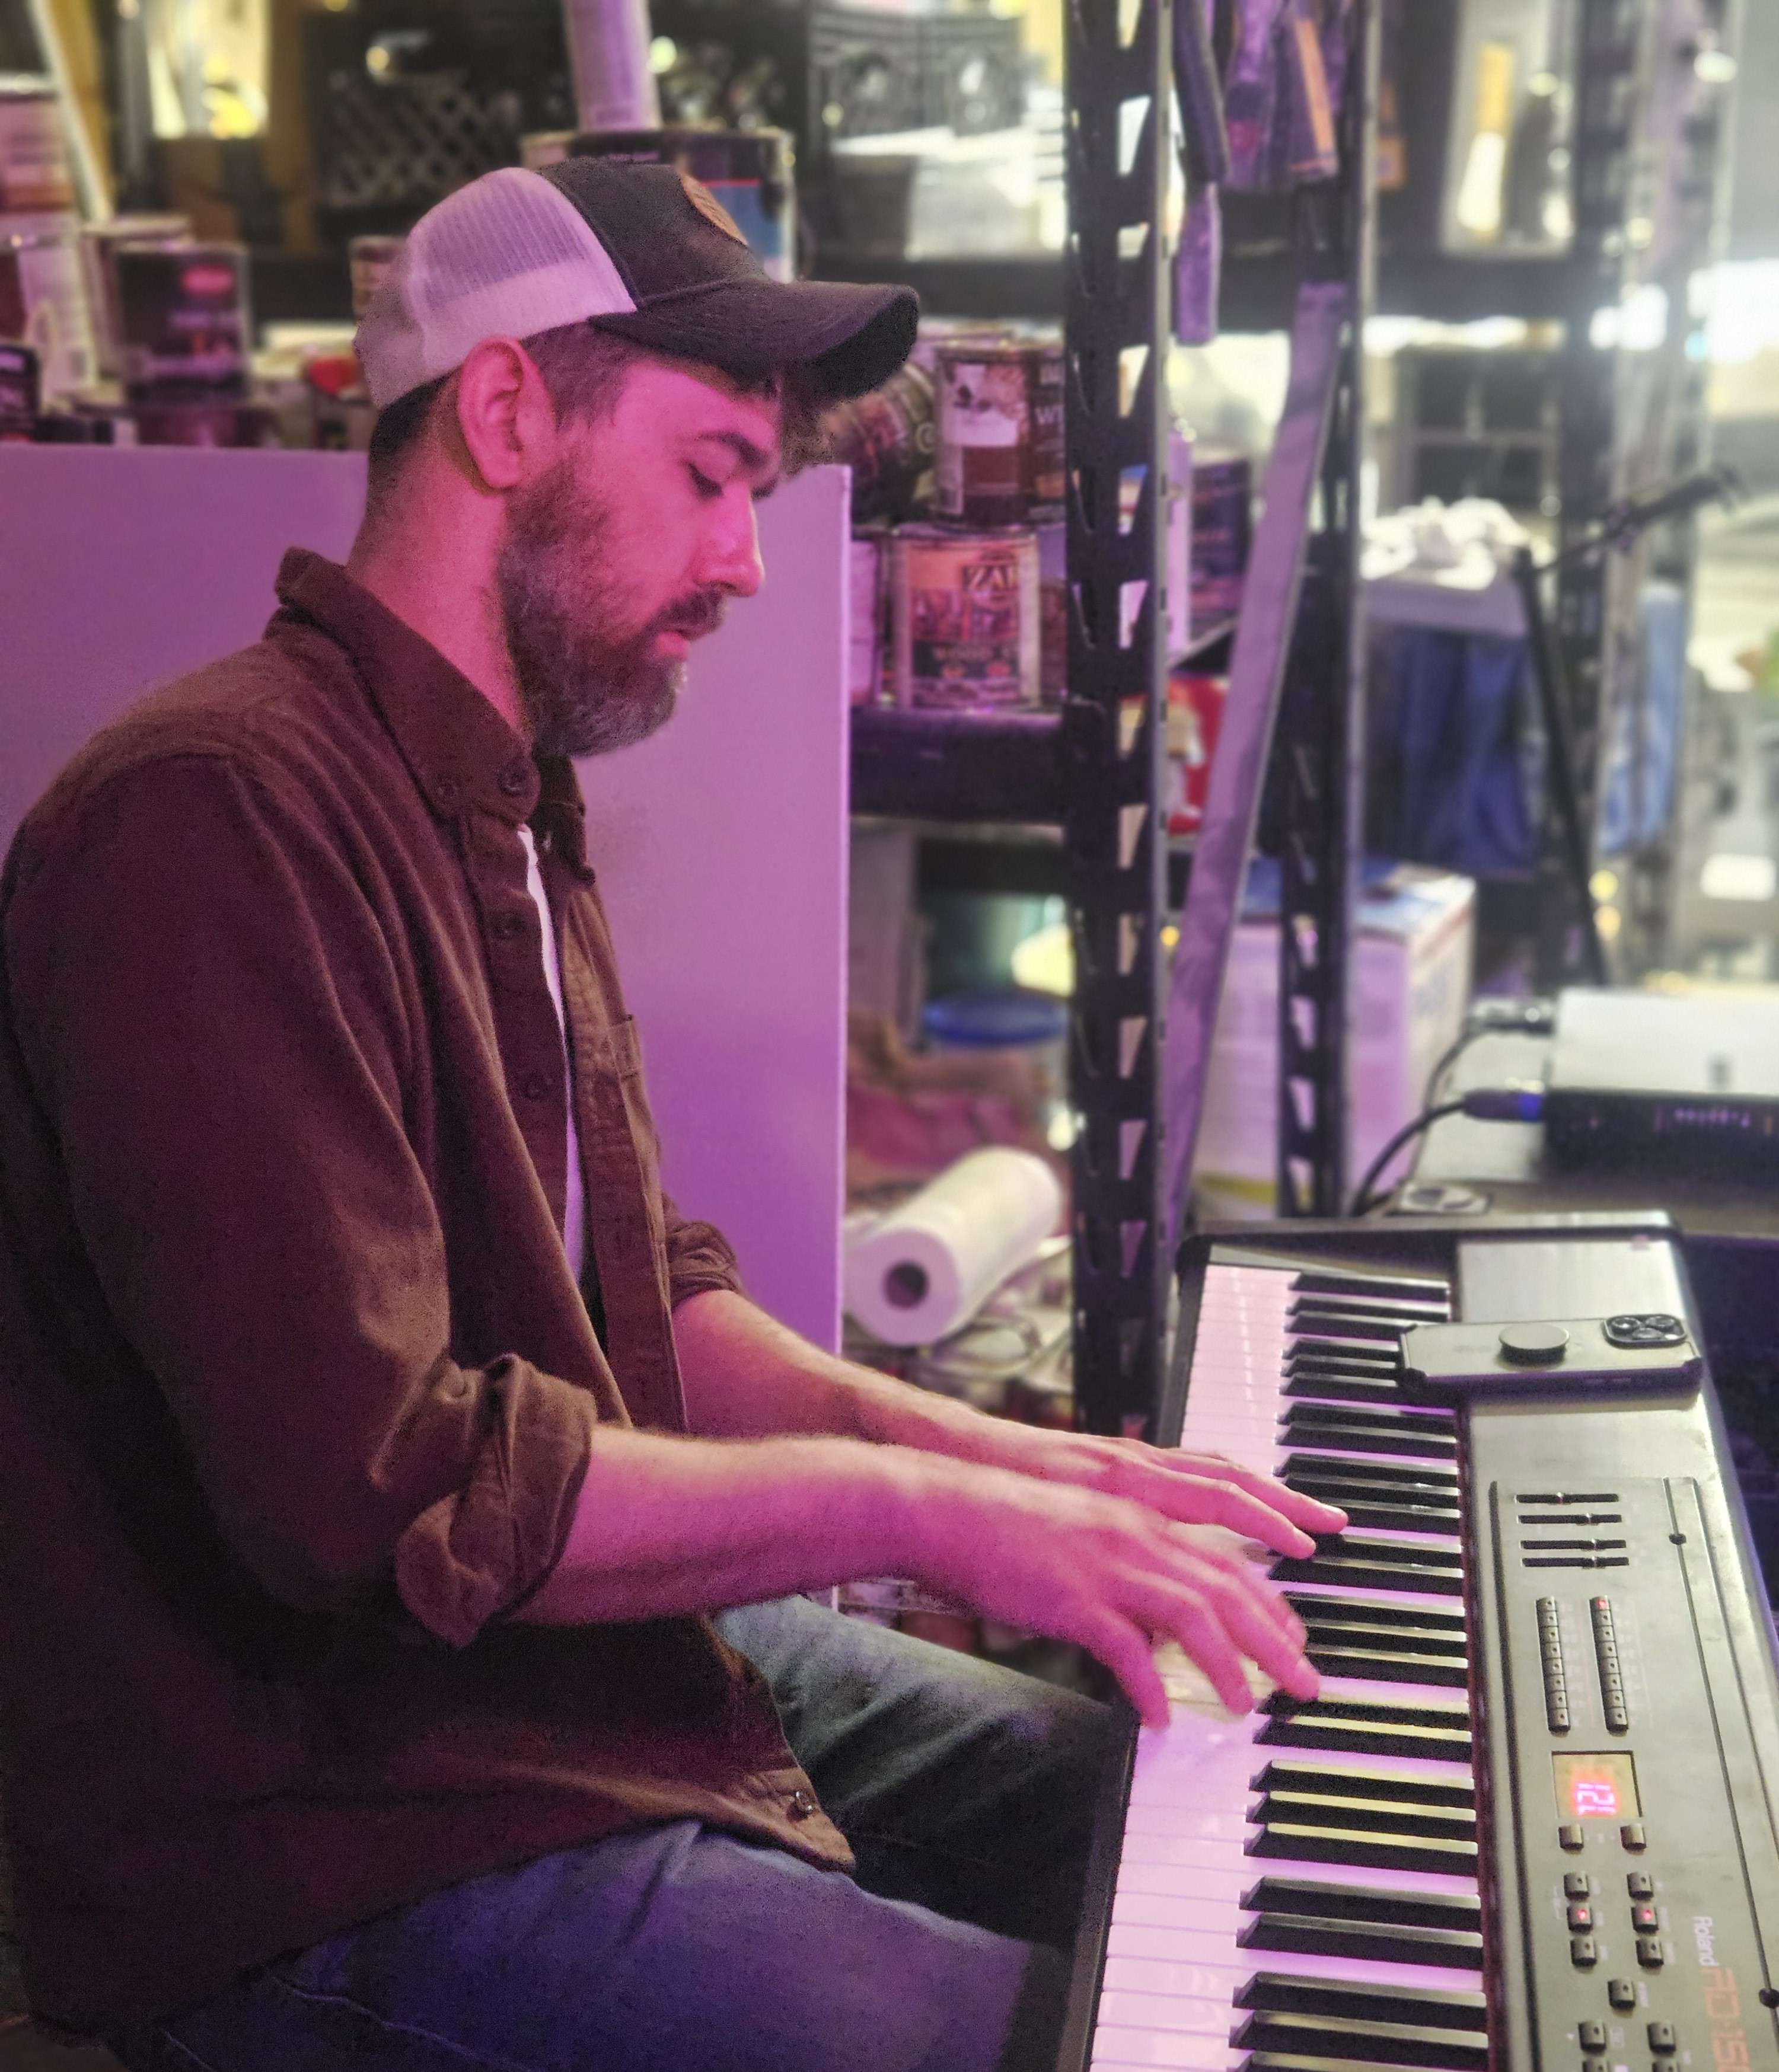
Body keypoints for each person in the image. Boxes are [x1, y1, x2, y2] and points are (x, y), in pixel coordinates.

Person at [0, 160, 1344, 2072]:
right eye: (712, 474)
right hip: (316, 1831)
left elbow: (639, 1298)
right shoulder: (210, 816)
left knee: (1184, 1799)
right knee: (1108, 2045)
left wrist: (1020, 1472)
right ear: (505, 411)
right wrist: (922, 1513)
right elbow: (384, 1488)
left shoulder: (501, 793)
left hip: (521, 1695)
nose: (749, 562)